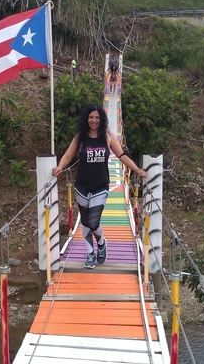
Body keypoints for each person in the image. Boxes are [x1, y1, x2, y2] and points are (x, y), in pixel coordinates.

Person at [53, 104, 147, 269]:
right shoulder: (80, 137)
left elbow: (122, 155)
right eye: (91, 117)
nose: (94, 120)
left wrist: (137, 170)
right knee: (85, 221)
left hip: (101, 185)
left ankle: (102, 243)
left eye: (97, 117)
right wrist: (60, 167)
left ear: (101, 119)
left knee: (93, 222)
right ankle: (90, 253)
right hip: (82, 185)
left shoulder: (107, 136)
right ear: (86, 119)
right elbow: (68, 155)